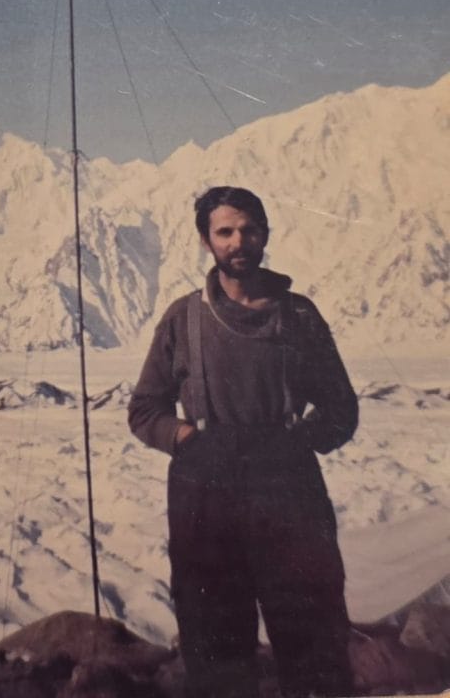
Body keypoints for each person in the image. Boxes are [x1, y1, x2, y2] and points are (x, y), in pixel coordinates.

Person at [128, 186, 358, 698]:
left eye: (250, 229)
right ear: (206, 241)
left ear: (266, 234)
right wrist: (184, 437)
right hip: (204, 490)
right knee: (215, 645)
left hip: (288, 492)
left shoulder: (300, 316)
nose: (239, 241)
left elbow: (342, 410)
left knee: (314, 638)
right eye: (225, 231)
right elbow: (145, 410)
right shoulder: (182, 319)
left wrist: (297, 444)